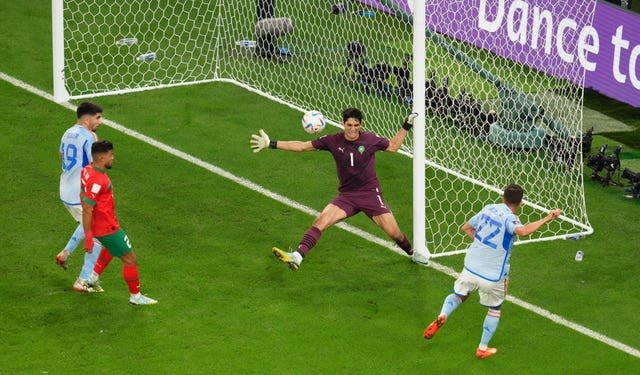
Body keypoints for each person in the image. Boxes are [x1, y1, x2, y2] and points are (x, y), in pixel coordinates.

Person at [250, 107, 424, 270]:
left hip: (370, 195)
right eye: (349, 125)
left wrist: (406, 125)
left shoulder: (370, 139)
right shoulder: (332, 140)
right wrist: (271, 143)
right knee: (321, 221)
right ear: (343, 124)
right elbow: (302, 146)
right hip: (347, 196)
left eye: (356, 125)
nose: (353, 129)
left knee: (394, 233)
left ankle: (412, 253)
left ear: (361, 125)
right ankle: (297, 256)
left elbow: (393, 147)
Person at [422, 184, 562, 358]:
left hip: (471, 267)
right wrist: (549, 217)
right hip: (493, 275)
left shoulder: (488, 208)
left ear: (503, 198)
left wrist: (483, 244)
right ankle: (482, 348)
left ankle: (443, 314)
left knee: (459, 294)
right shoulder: (511, 219)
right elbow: (524, 231)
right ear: (520, 203)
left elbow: (465, 228)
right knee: (495, 307)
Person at [81, 140, 157, 305]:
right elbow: (87, 207)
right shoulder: (98, 180)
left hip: (100, 224)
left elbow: (83, 194)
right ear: (101, 158)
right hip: (107, 228)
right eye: (110, 155)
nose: (113, 158)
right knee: (130, 259)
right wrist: (88, 235)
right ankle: (135, 297)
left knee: (110, 249)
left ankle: (93, 279)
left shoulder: (87, 170)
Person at [55, 102, 105, 292]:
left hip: (65, 190)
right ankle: (83, 280)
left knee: (86, 225)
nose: (100, 121)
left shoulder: (67, 132)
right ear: (87, 118)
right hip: (80, 193)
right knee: (98, 233)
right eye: (98, 117)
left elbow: (61, 155)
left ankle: (65, 254)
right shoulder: (89, 137)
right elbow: (96, 165)